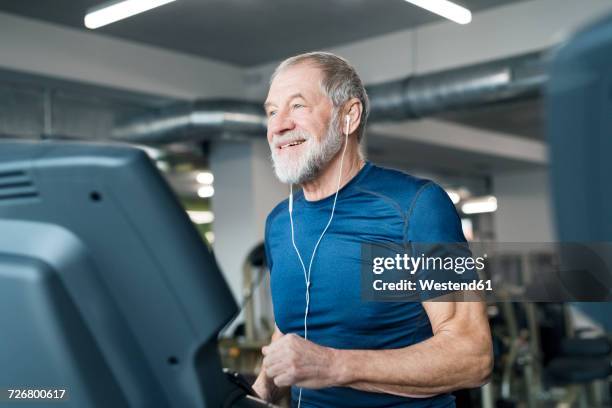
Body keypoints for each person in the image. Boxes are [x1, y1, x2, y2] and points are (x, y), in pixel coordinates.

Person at [252, 51, 493, 408]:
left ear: (348, 116)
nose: (279, 125)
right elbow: (292, 332)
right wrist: (252, 397)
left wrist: (335, 365)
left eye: (297, 106)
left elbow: (473, 354)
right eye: (272, 112)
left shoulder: (419, 205)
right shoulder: (279, 222)